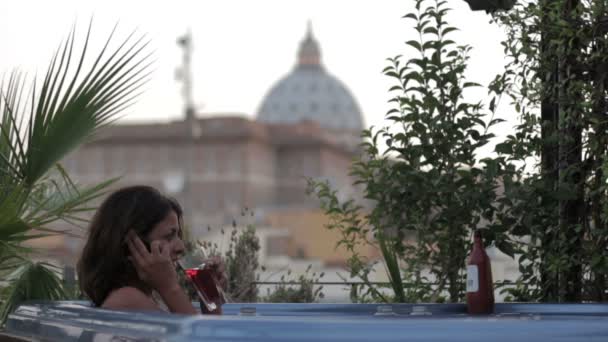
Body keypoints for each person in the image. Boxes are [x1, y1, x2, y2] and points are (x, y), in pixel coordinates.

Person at [77, 185, 226, 314]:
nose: (181, 247)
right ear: (132, 246)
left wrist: (208, 290)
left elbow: (213, 332)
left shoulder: (145, 296)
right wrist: (169, 287)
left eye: (178, 235)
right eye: (169, 236)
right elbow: (198, 338)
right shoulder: (128, 299)